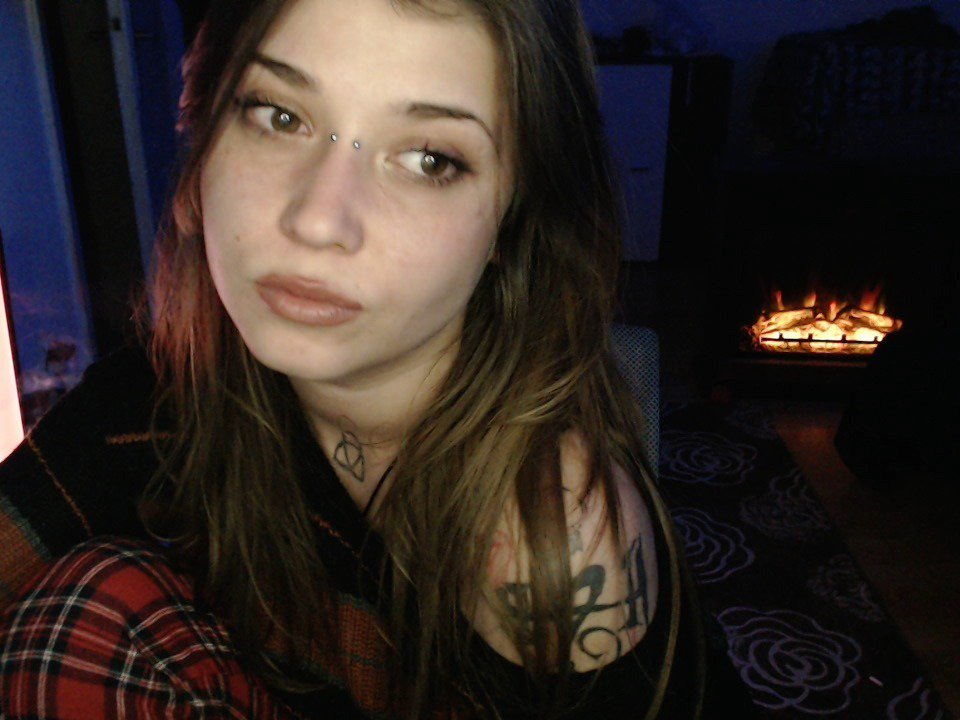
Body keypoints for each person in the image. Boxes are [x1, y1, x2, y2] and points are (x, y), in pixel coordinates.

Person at [0, 0, 744, 717]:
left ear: (510, 226)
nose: (320, 219)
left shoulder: (547, 534)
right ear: (199, 159)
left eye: (429, 159)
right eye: (279, 116)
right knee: (89, 613)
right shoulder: (176, 384)